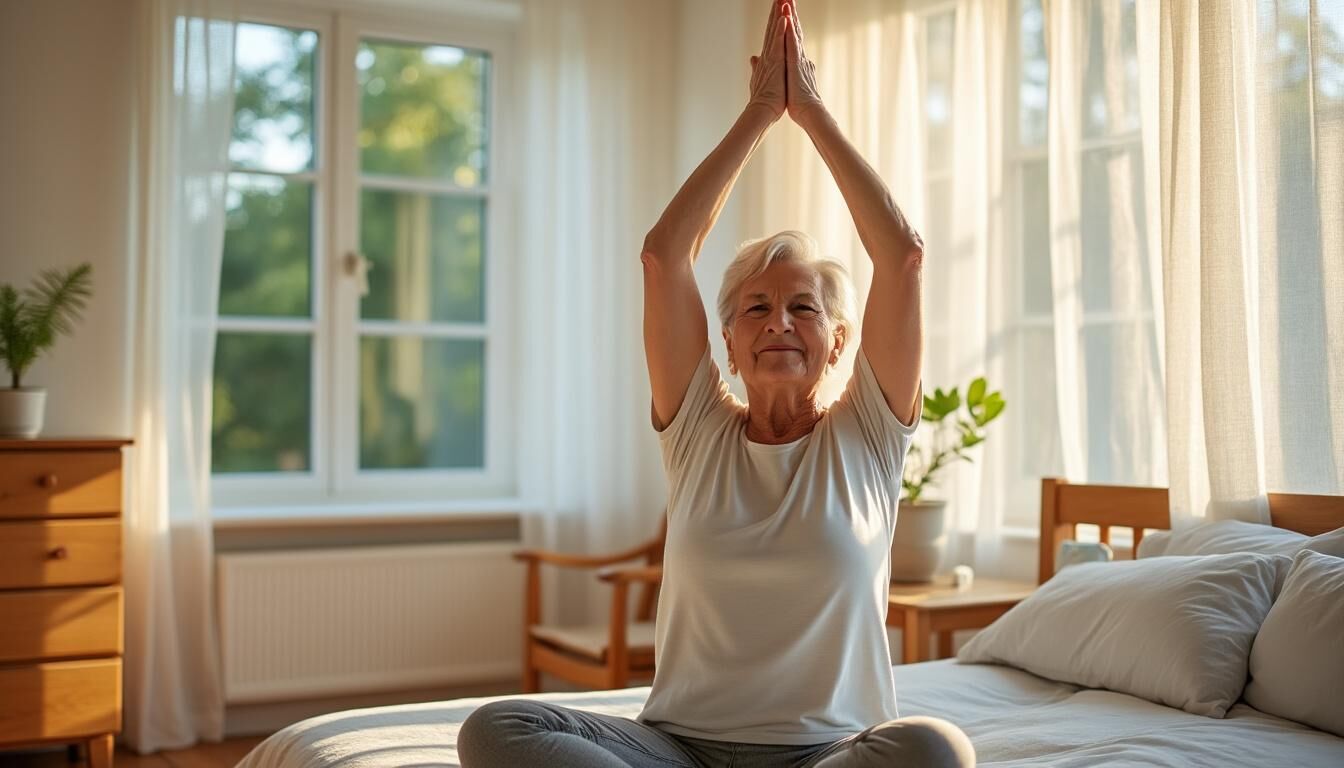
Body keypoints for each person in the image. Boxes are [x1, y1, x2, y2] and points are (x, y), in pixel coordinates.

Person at [458, 1, 975, 765]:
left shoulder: (867, 435)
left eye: (804, 308)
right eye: (755, 308)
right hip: (680, 750)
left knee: (935, 748)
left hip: (826, 753)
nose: (779, 323)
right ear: (725, 343)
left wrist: (814, 114)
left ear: (838, 344)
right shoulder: (698, 428)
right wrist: (760, 113)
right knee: (496, 728)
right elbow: (664, 258)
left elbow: (901, 256)